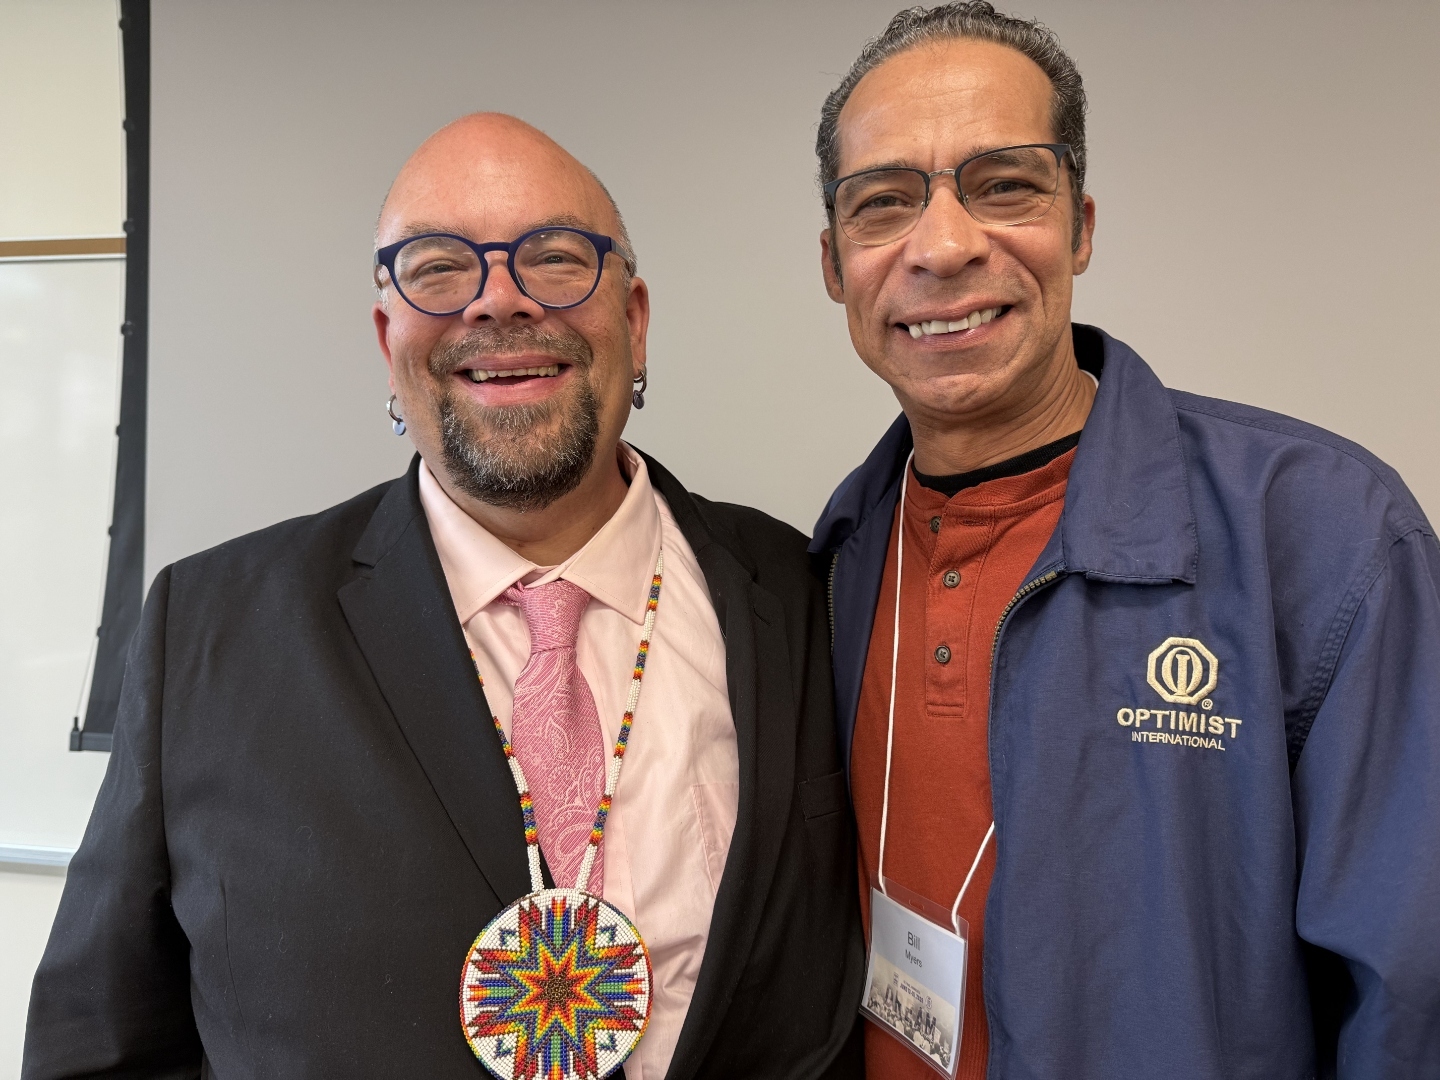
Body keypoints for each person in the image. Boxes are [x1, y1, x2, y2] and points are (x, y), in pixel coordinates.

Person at [24, 113, 863, 1080]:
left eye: (555, 258)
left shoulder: (801, 591)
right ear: (390, 337)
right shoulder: (208, 631)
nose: (499, 302)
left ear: (633, 320)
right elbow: (97, 1045)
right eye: (437, 268)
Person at [808, 4, 1440, 1079]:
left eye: (1005, 185)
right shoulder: (836, 555)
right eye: (884, 204)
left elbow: (1409, 1000)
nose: (946, 245)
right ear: (836, 264)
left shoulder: (1327, 535)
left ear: (1081, 225)